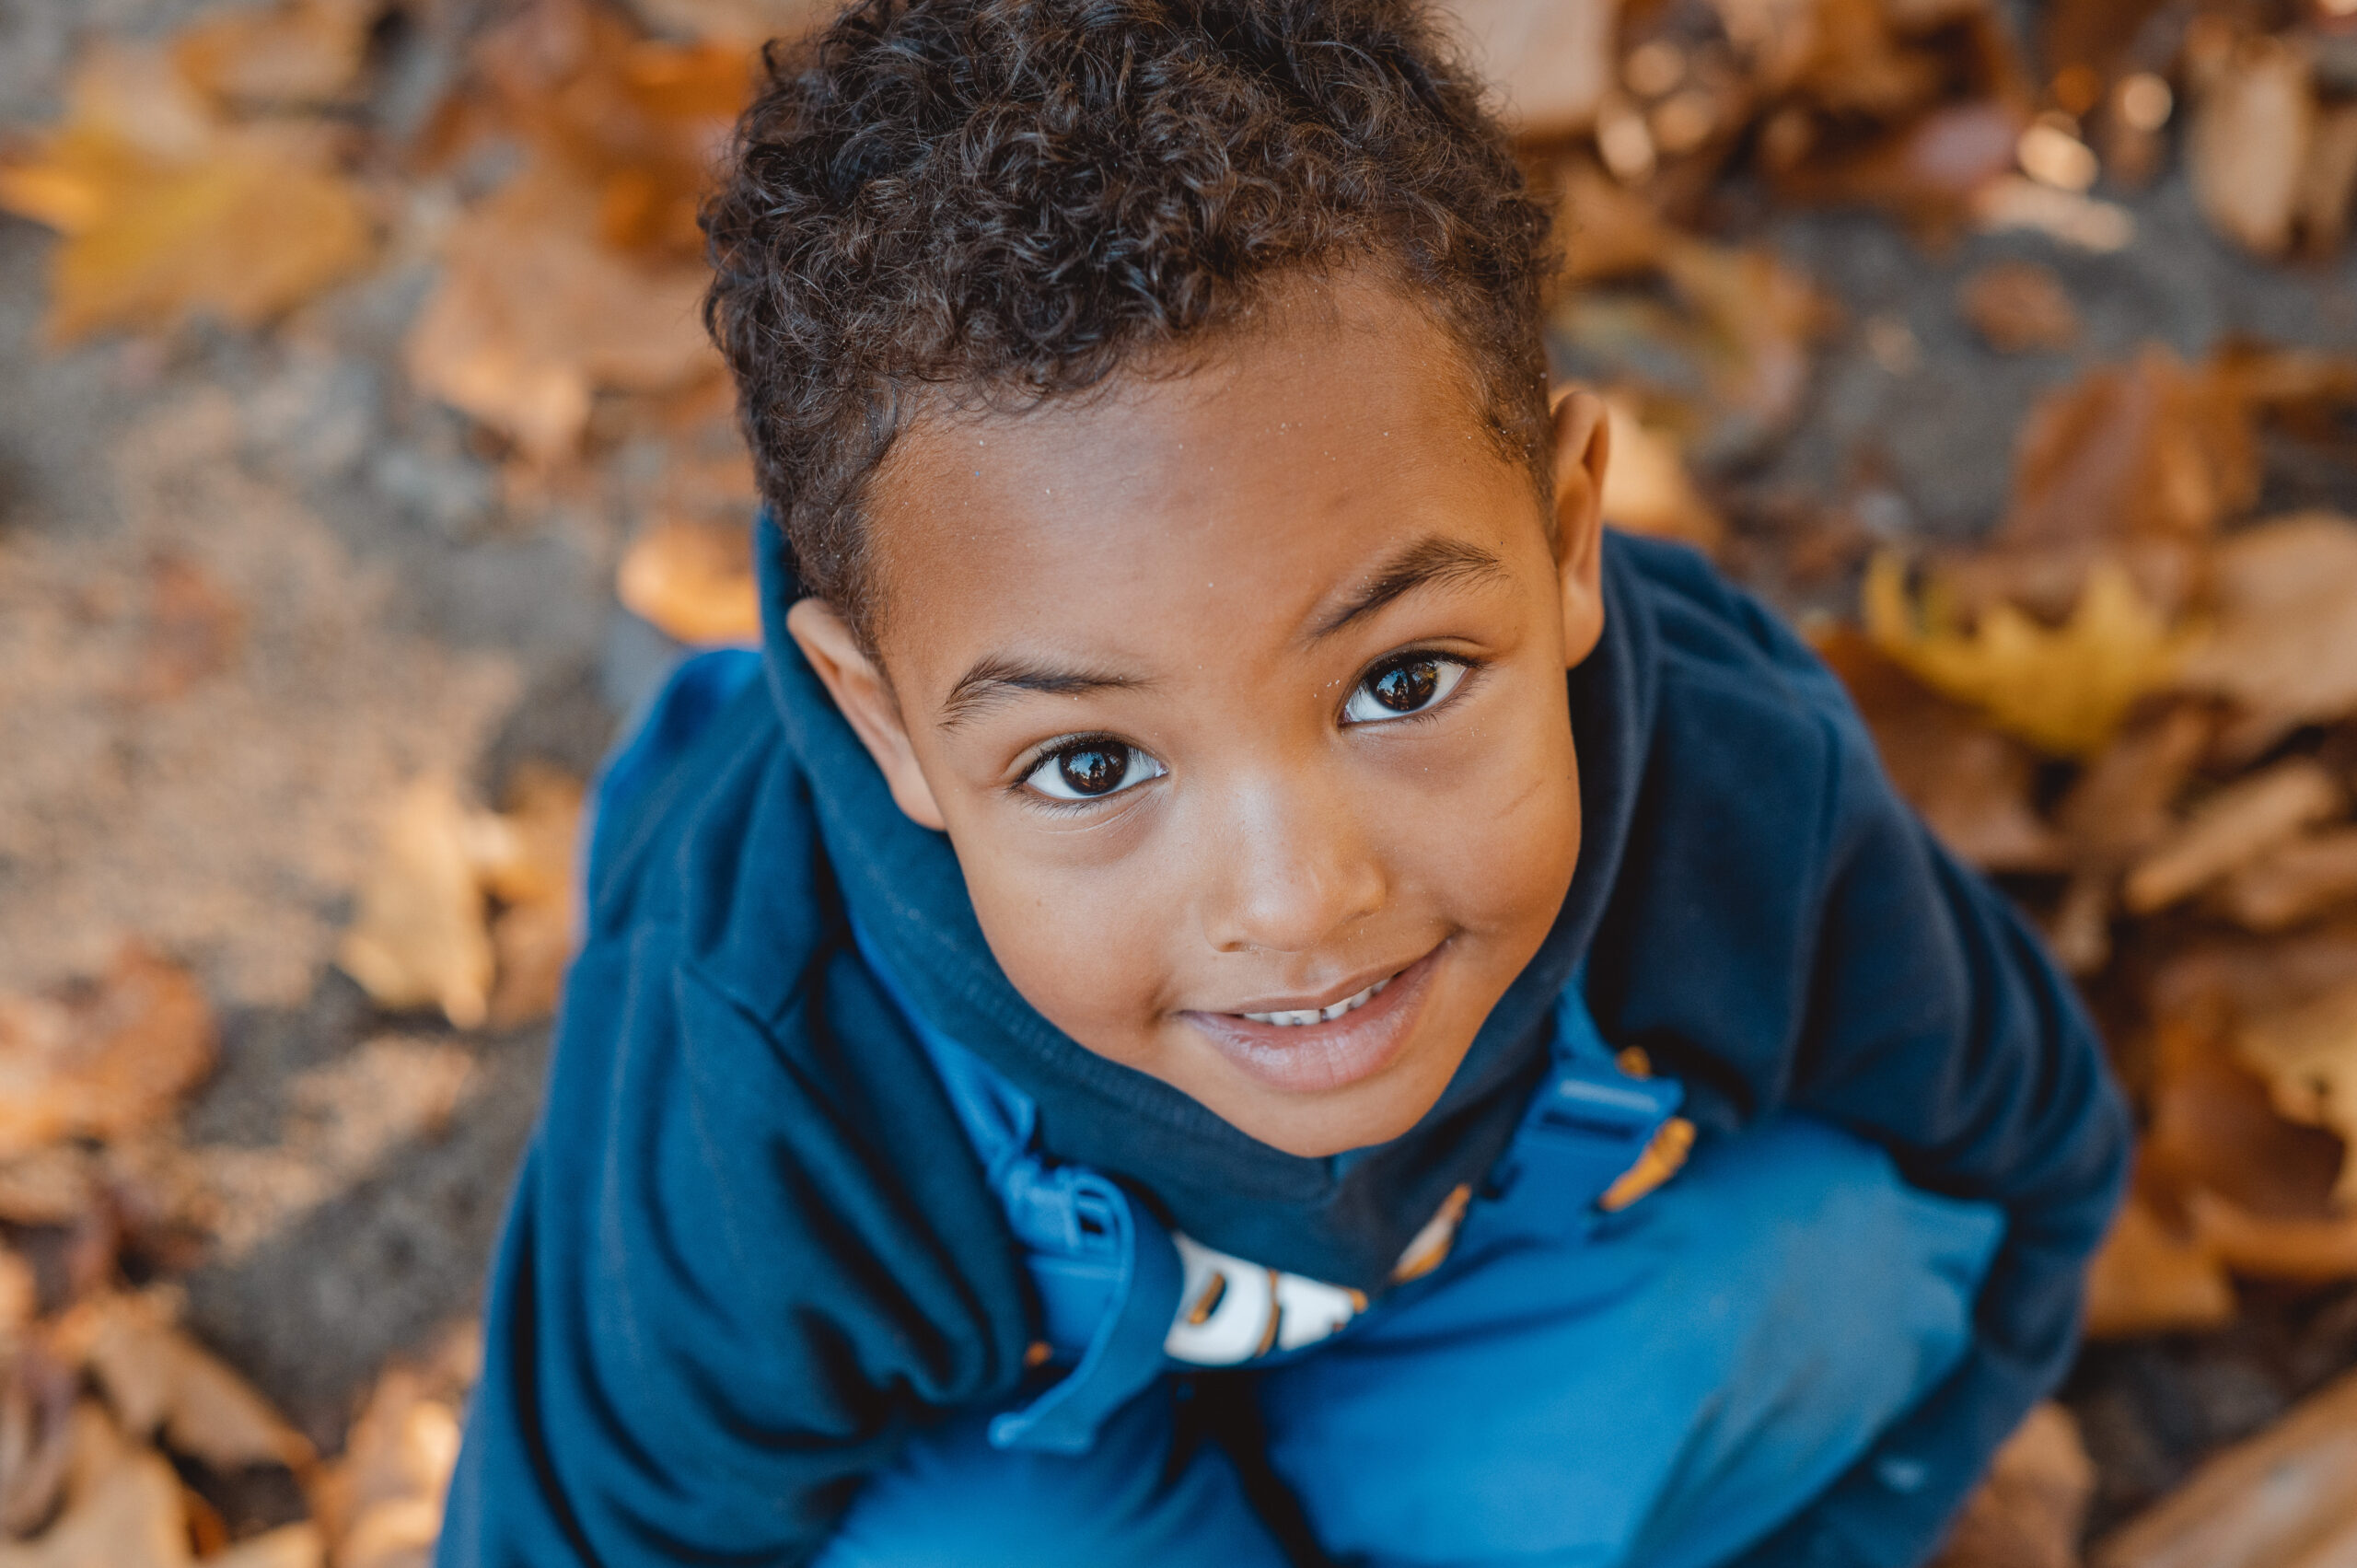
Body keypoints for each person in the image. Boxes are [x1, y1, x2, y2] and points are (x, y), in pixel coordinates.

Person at [435, 0, 2131, 1562]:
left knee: (1838, 1272)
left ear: (1565, 543)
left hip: (1479, 1385)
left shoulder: (1736, 785)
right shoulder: (754, 1067)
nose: (1300, 898)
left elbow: (2020, 1174)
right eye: (1091, 763)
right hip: (1027, 1483)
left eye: (1402, 681)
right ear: (884, 730)